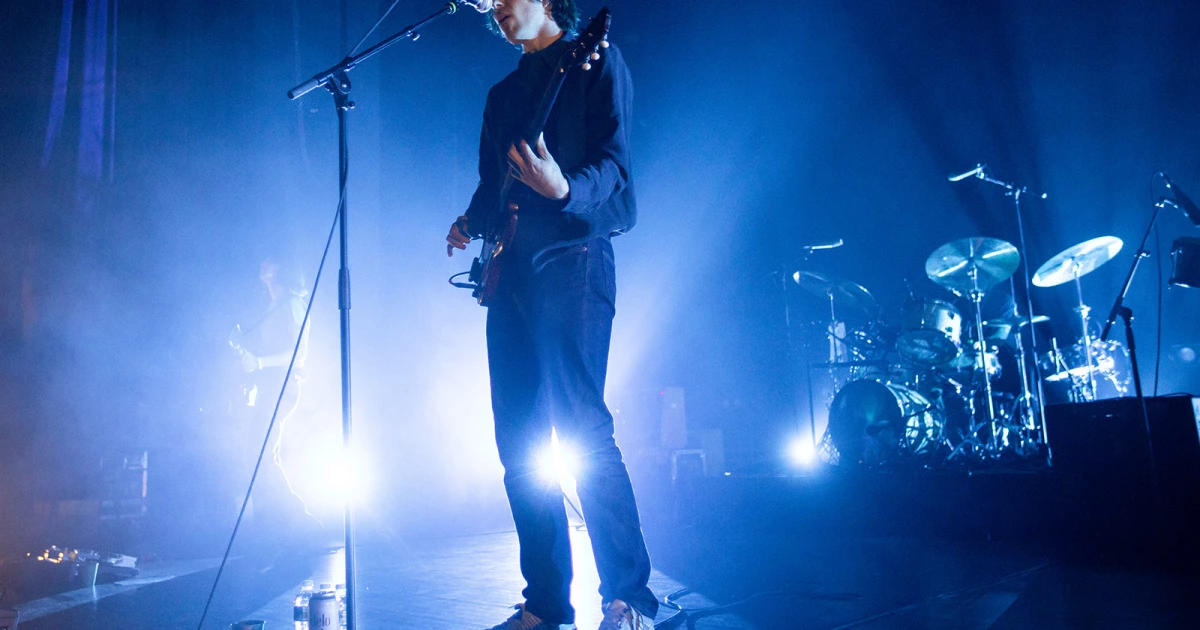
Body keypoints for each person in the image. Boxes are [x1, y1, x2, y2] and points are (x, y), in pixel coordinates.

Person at [446, 2, 656, 629]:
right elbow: (495, 186)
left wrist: (563, 187)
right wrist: (469, 221)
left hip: (573, 260)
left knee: (584, 430)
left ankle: (630, 600)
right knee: (519, 443)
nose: (501, 7)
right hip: (510, 274)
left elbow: (615, 168)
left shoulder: (595, 61)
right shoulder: (502, 92)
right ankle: (544, 604)